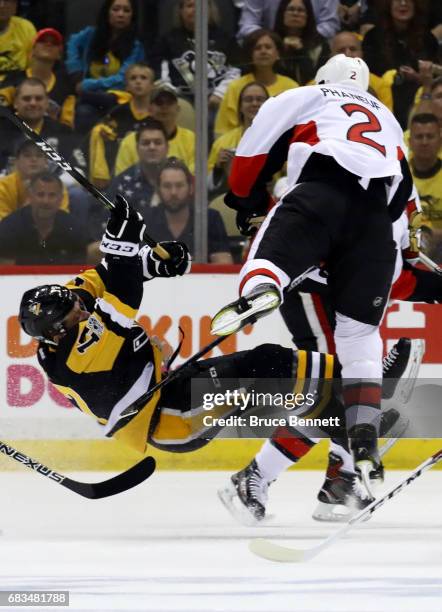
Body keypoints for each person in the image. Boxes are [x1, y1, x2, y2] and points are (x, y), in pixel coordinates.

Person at [210, 54, 414, 495]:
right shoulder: (390, 121)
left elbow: (251, 154)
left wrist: (242, 199)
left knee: (326, 377)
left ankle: (264, 287)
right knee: (356, 350)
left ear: (322, 80)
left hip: (315, 223)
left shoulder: (308, 96)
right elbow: (401, 204)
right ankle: (359, 443)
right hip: (374, 228)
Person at [17, 193, 349, 464]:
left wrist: (153, 261)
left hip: (171, 391)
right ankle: (355, 395)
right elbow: (121, 294)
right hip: (173, 418)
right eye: (72, 313)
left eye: (74, 303)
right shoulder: (73, 358)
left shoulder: (66, 317)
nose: (79, 307)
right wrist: (120, 246)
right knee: (269, 368)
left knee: (273, 370)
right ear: (56, 333)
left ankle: (346, 406)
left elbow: (103, 278)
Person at [65, 0, 144, 132]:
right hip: (90, 98)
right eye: (116, 9)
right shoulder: (91, 34)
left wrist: (86, 84)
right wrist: (75, 68)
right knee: (83, 112)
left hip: (117, 98)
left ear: (132, 16)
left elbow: (122, 78)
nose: (121, 14)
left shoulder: (136, 46)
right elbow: (72, 42)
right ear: (107, 12)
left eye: (126, 11)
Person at [147, 0, 240, 111]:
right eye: (190, 6)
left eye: (201, 6)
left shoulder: (226, 38)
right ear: (181, 11)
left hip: (219, 101)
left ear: (210, 10)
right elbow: (159, 69)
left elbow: (237, 69)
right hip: (178, 102)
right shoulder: (167, 39)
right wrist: (171, 94)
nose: (196, 9)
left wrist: (220, 94)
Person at [361, 0, 439, 128]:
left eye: (408, 0)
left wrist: (418, 78)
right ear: (388, 4)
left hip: (418, 98)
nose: (403, 3)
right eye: (397, 0)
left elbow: (436, 77)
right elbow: (370, 77)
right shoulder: (373, 37)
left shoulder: (428, 39)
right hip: (382, 101)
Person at [147, 157, 233, 264]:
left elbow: (224, 266)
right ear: (158, 189)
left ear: (191, 188)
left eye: (179, 185)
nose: (173, 192)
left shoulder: (210, 218)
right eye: (167, 186)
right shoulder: (145, 220)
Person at [214, 29, 299, 137]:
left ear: (278, 53)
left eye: (268, 47)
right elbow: (222, 131)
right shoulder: (235, 87)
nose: (263, 51)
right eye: (257, 48)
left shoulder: (291, 87)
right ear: (250, 55)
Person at [89, 62, 156, 188]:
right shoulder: (117, 114)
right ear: (127, 87)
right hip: (120, 175)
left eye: (143, 78)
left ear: (152, 86)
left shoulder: (159, 115)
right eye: (133, 78)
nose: (138, 81)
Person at [0, 78, 86, 175]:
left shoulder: (63, 132)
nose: (33, 103)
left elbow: (78, 171)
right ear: (15, 103)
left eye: (39, 99)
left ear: (46, 103)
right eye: (26, 99)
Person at [0, 172, 89, 265]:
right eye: (40, 194)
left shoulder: (74, 227)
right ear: (30, 197)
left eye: (52, 195)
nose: (46, 201)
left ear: (61, 199)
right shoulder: (10, 227)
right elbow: (6, 273)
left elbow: (78, 271)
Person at [115, 84, 196, 175]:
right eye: (159, 102)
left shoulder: (191, 139)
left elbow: (194, 178)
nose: (164, 107)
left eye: (169, 102)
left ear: (177, 109)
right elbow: (121, 180)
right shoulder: (129, 142)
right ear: (149, 109)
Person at [208, 82, 269, 196]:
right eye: (248, 99)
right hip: (231, 201)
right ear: (240, 106)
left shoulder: (280, 138)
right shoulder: (222, 143)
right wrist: (218, 168)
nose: (254, 103)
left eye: (260, 99)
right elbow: (206, 187)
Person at [0, 140, 69, 220]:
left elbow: (63, 222)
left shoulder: (57, 187)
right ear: (16, 162)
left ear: (46, 162)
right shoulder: (3, 187)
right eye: (27, 155)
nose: (34, 159)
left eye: (39, 155)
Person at [273, 0, 330, 85]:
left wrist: (301, 50)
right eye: (291, 9)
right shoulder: (271, 42)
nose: (295, 13)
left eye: (300, 10)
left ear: (308, 15)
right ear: (282, 14)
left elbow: (317, 78)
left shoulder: (320, 45)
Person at [409, 113, 442, 258]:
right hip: (406, 243)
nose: (424, 142)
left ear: (440, 141)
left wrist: (429, 233)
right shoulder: (397, 174)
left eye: (430, 136)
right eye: (419, 136)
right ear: (409, 142)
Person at [329, 30, 391, 108]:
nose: (348, 54)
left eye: (353, 49)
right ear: (331, 56)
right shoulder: (315, 85)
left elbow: (386, 118)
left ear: (362, 53)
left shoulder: (380, 85)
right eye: (341, 50)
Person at [237, 0, 340, 42]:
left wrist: (305, 43)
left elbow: (330, 25)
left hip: (312, 44)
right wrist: (273, 42)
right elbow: (248, 25)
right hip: (270, 45)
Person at [0, 0, 36, 78]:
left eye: (7, 1)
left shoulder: (26, 28)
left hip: (19, 86)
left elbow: (34, 68)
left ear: (15, 6)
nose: (2, 5)